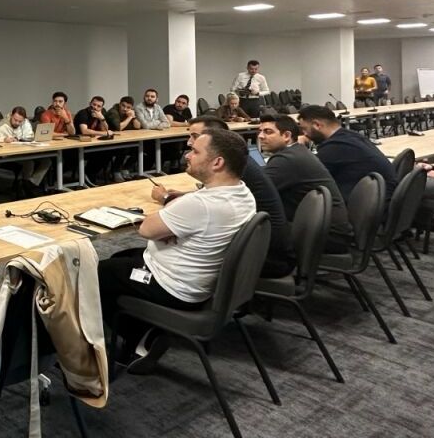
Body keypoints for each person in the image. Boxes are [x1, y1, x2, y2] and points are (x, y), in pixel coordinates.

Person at [98, 129, 256, 373]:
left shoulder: (200, 204)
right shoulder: (243, 193)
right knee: (121, 258)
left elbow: (147, 229)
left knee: (96, 273)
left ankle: (137, 339)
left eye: (195, 151)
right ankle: (143, 332)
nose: (187, 155)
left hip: (172, 286)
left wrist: (169, 220)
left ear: (217, 162)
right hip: (199, 281)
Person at [187, 116, 294, 278]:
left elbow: (206, 211)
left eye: (196, 137)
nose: (190, 142)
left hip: (266, 257)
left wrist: (167, 199)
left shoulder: (234, 170)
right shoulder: (240, 162)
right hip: (266, 246)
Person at [257, 115, 352, 253]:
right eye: (260, 131)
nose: (260, 136)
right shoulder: (296, 152)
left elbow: (254, 192)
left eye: (268, 132)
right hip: (328, 230)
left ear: (286, 136)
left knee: (255, 230)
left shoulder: (286, 160)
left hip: (327, 237)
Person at [297, 105, 396, 201]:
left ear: (317, 125)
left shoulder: (336, 146)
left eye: (304, 129)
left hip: (371, 205)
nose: (304, 134)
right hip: (383, 199)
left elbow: (305, 175)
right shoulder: (350, 136)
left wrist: (297, 148)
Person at [0, 106, 51, 196]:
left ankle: (30, 183)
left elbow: (31, 136)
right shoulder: (4, 124)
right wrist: (3, 139)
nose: (17, 123)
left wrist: (22, 138)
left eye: (20, 121)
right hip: (9, 155)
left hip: (25, 151)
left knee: (47, 161)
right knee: (29, 162)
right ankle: (26, 187)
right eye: (15, 120)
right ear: (11, 116)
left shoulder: (25, 123)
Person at [74, 96, 114, 183]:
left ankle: (89, 173)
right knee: (100, 153)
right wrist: (104, 134)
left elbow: (105, 129)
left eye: (98, 106)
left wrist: (101, 118)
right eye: (94, 104)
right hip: (79, 144)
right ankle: (87, 174)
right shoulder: (83, 113)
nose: (95, 107)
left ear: (101, 108)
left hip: (92, 143)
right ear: (90, 104)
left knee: (109, 151)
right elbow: (84, 131)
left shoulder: (100, 113)